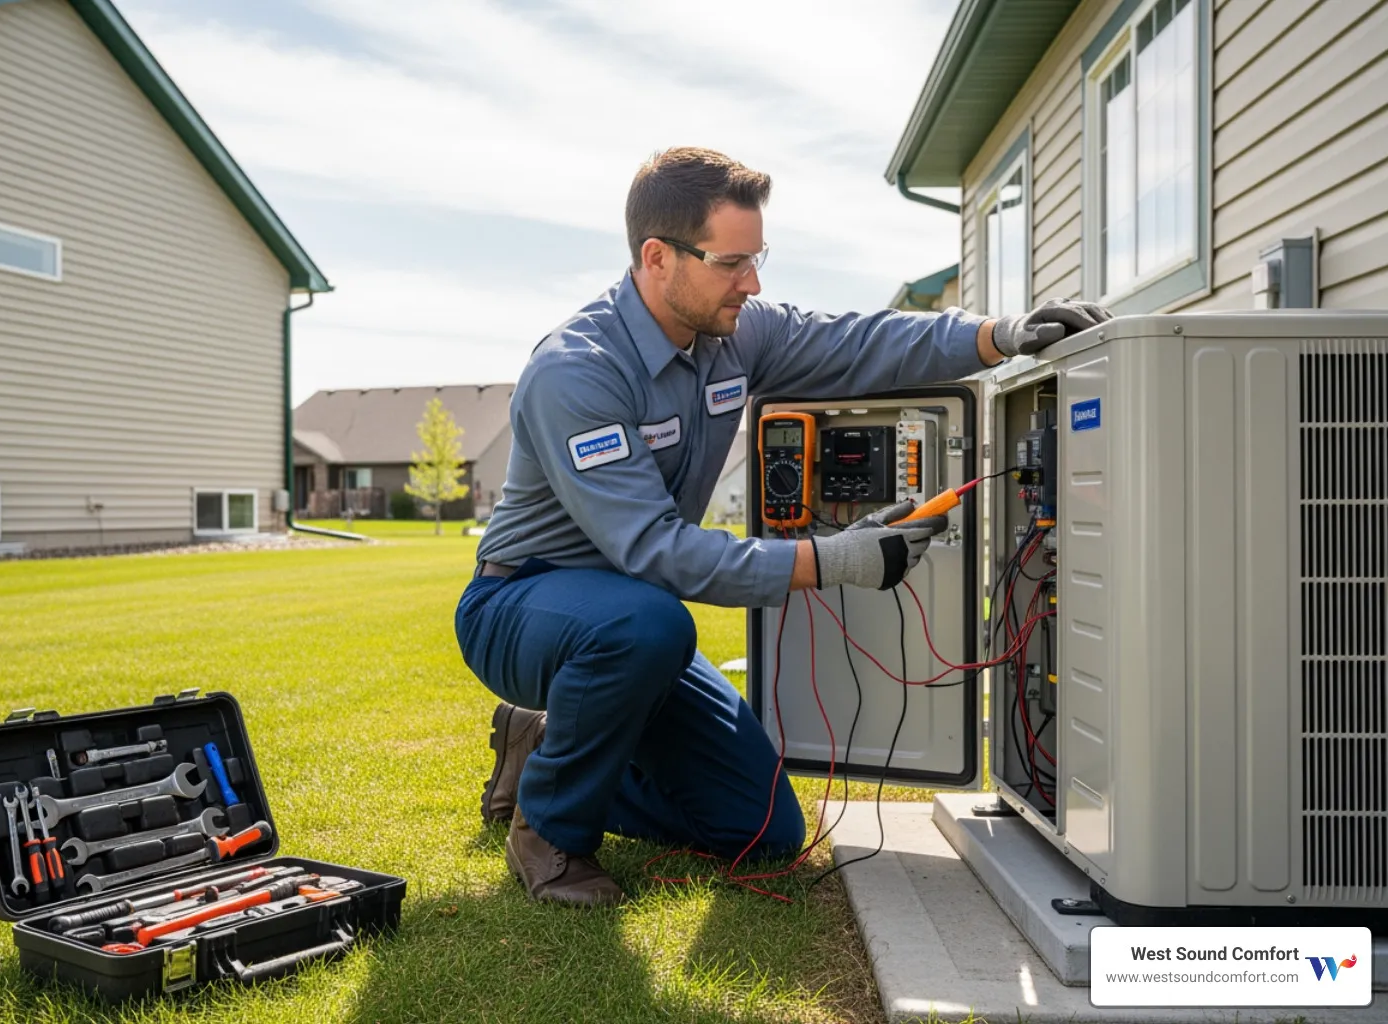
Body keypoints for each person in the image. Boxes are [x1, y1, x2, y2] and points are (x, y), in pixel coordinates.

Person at [456, 147, 1112, 906]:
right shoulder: (577, 371)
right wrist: (834, 560)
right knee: (650, 625)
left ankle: (542, 747)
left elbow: (857, 340)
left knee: (764, 829)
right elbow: (657, 553)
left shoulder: (735, 334)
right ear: (657, 257)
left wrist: (998, 334)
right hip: (523, 605)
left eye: (757, 258)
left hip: (625, 615)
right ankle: (550, 835)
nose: (753, 282)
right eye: (733, 262)